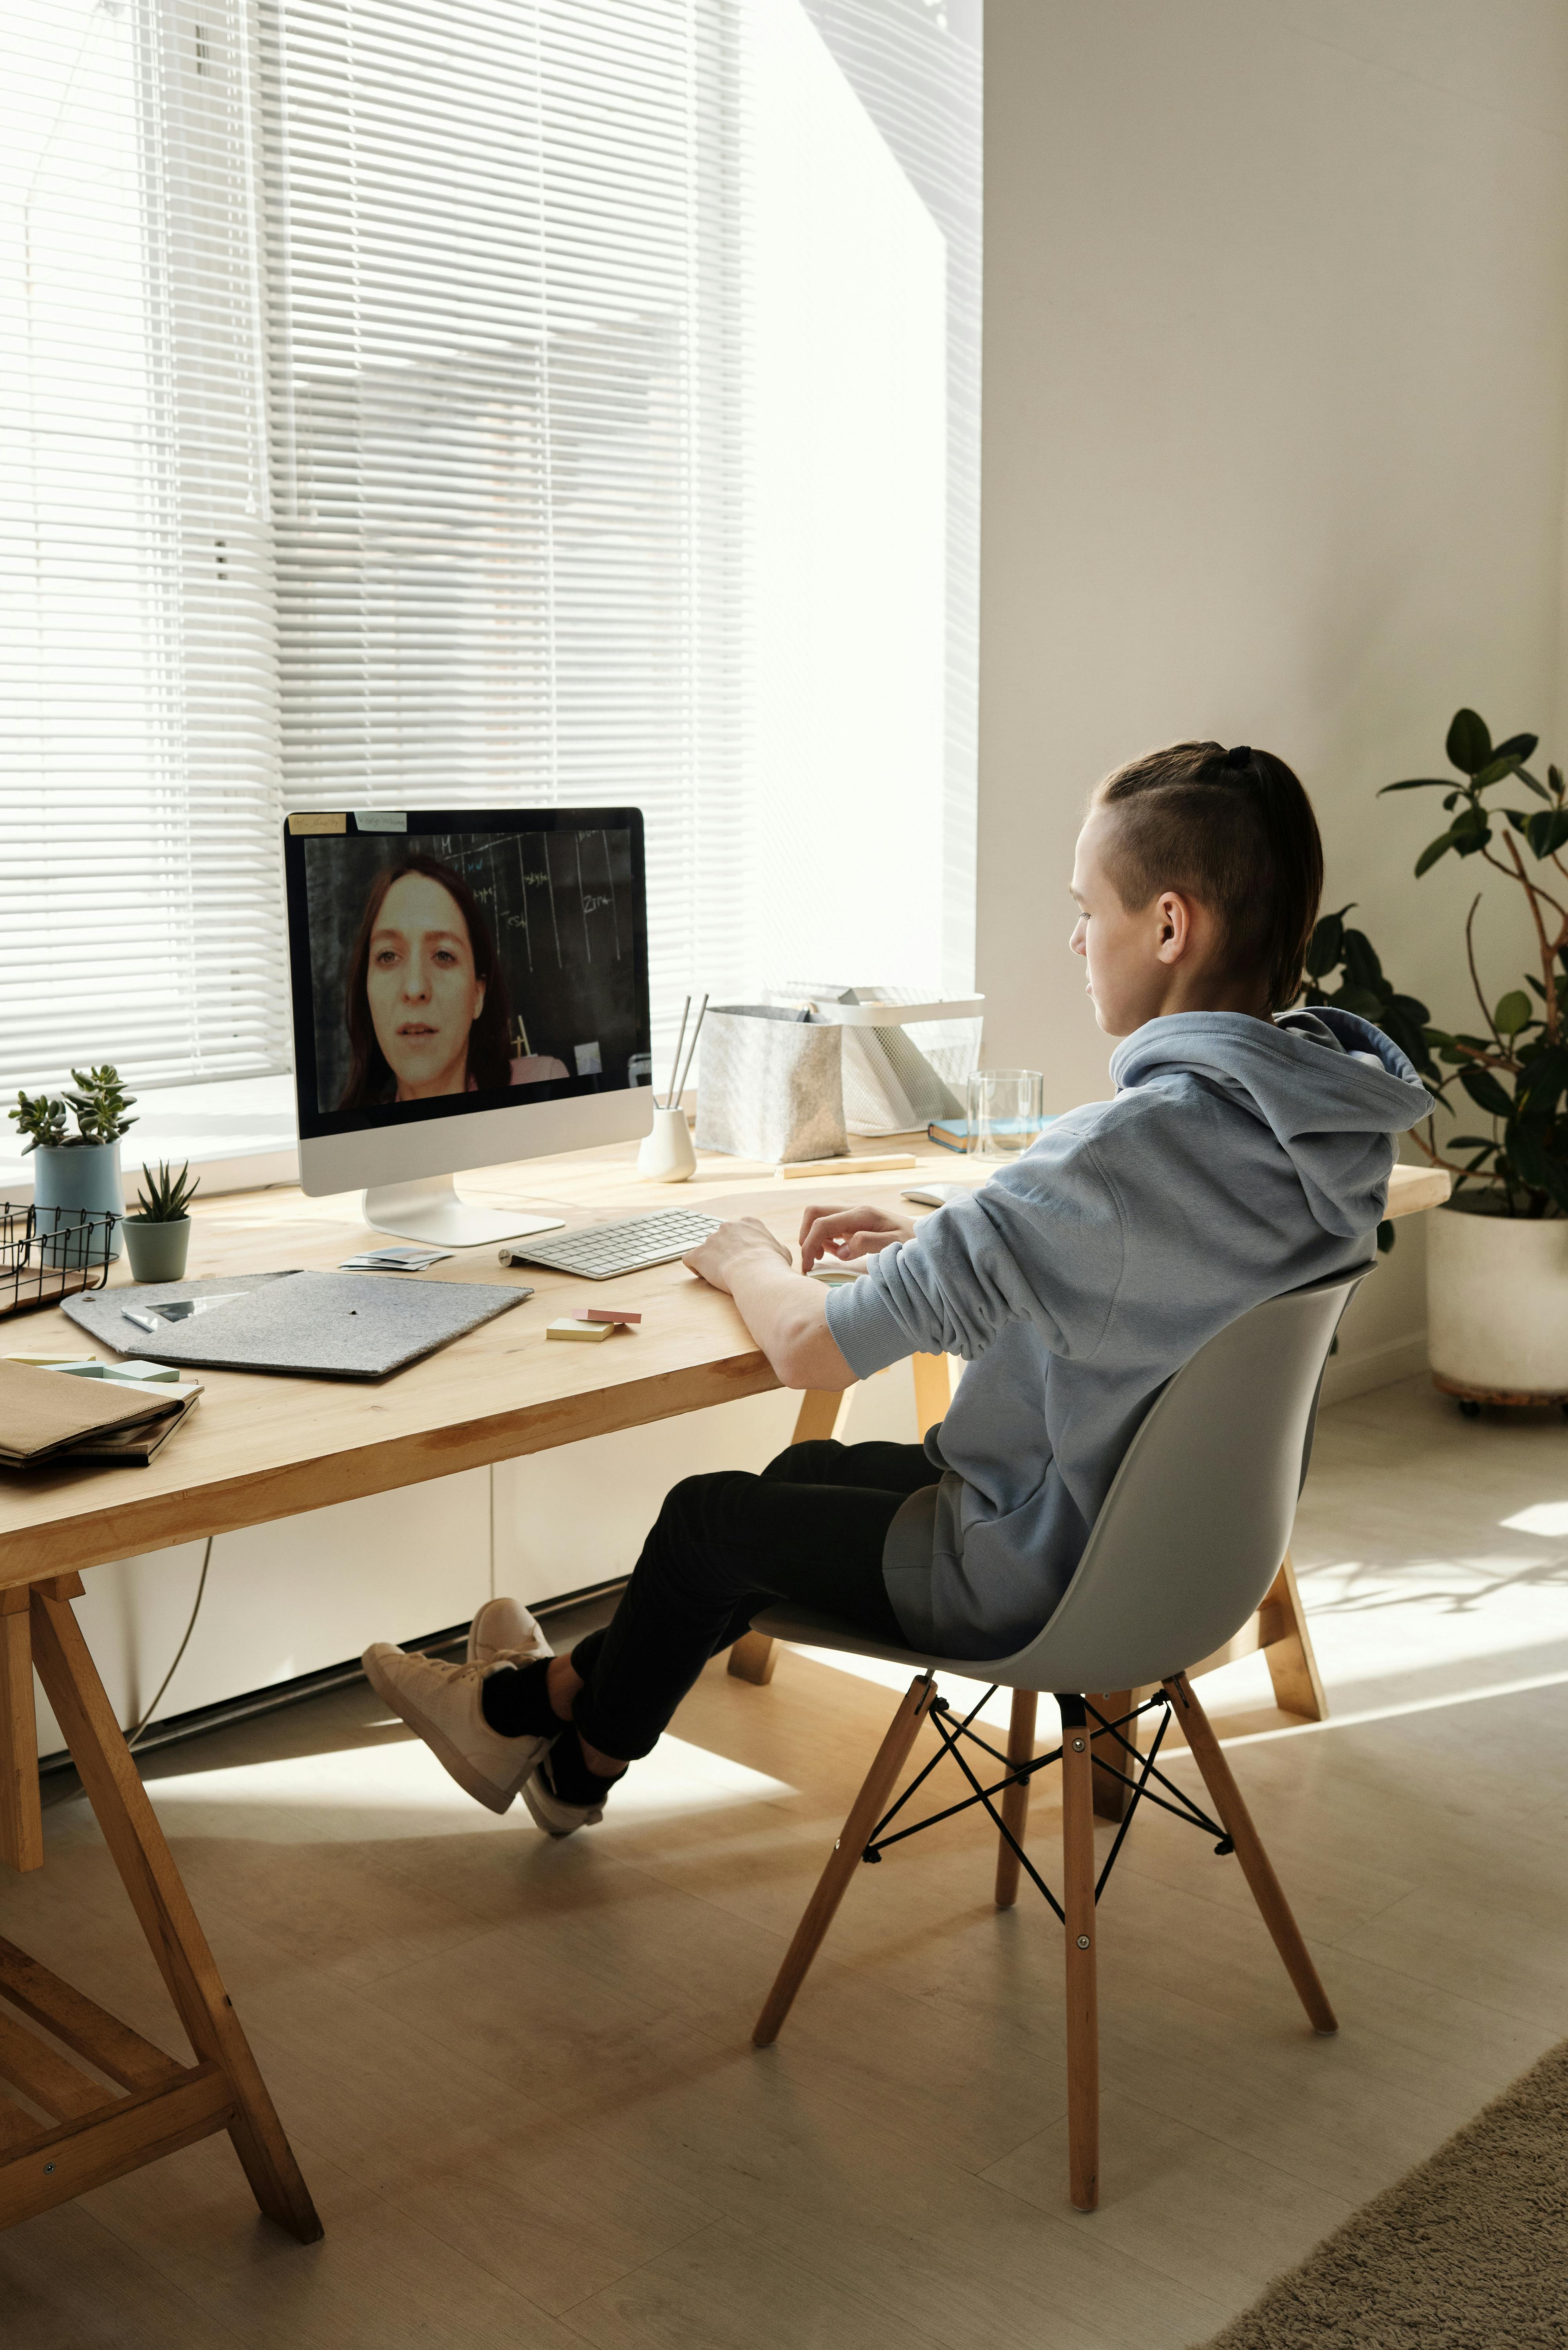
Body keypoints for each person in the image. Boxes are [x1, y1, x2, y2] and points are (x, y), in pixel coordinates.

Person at [363, 741, 1432, 1835]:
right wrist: (939, 1241)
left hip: (1035, 1573)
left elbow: (810, 1351)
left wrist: (747, 1261)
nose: (1073, 939)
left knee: (704, 1521)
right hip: (1179, 1559)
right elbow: (1142, 1284)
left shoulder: (1113, 1158)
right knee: (807, 1473)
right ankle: (561, 1747)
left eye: (1086, 909)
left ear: (1166, 927)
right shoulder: (1326, 1125)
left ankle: (526, 1724)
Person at [336, 853, 568, 1109]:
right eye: (388, 955)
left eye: (444, 955)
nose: (415, 988)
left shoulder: (540, 1088)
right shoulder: (351, 1142)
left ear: (478, 995)